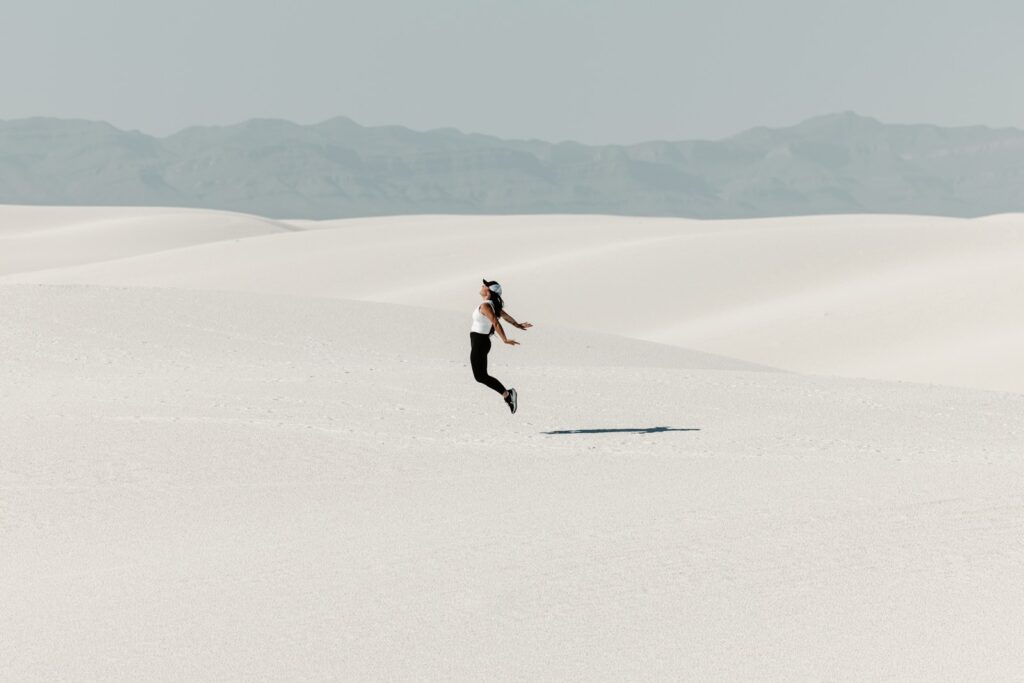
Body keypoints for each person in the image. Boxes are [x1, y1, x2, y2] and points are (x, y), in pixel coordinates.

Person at [470, 279, 532, 414]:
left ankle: (508, 395)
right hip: (480, 342)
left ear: (490, 291)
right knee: (480, 376)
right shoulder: (491, 305)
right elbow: (506, 317)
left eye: (484, 285)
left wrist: (504, 339)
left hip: (480, 342)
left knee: (480, 376)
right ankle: (507, 395)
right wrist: (519, 325)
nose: (482, 286)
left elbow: (496, 323)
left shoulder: (487, 306)